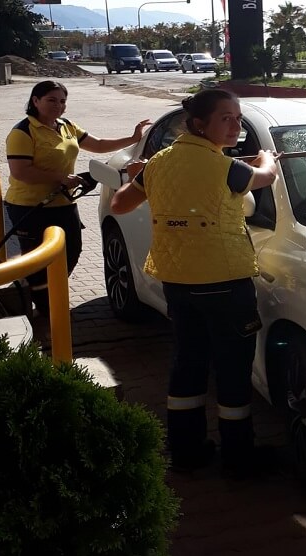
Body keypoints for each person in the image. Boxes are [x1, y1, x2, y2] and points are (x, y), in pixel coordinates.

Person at [109, 89, 280, 477]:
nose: (235, 125)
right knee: (234, 370)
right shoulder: (228, 170)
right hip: (225, 282)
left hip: (179, 283)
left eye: (238, 118)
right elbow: (266, 176)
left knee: (188, 363)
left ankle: (187, 451)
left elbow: (120, 204)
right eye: (226, 118)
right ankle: (238, 458)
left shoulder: (160, 163)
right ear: (200, 124)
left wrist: (145, 179)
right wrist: (267, 158)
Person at [5, 80, 150, 316]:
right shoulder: (22, 132)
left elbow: (99, 145)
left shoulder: (66, 126)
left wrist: (133, 138)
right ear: (35, 101)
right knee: (37, 260)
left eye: (62, 101)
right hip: (29, 206)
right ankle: (45, 309)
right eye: (51, 100)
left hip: (63, 203)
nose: (58, 106)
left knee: (72, 250)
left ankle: (45, 294)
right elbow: (20, 172)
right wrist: (60, 178)